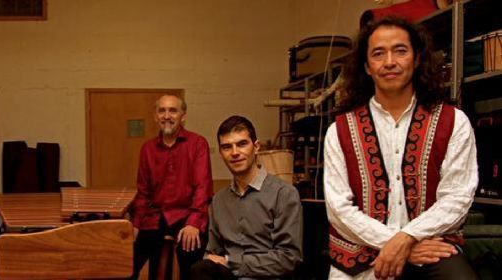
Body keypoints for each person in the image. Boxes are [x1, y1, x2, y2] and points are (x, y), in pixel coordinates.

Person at [323, 16, 478, 279]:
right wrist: (394, 243)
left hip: (430, 247)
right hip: (361, 251)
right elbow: (338, 208)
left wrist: (407, 238)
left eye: (400, 51)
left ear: (417, 59)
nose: (390, 62)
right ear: (367, 67)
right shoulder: (339, 130)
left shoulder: (454, 121)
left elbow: (458, 196)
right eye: (378, 54)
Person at [189, 115, 303, 280]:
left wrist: (230, 261)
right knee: (198, 270)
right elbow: (212, 254)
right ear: (221, 153)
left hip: (266, 277)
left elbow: (289, 258)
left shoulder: (284, 193)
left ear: (256, 147)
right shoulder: (219, 200)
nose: (235, 153)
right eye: (227, 147)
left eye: (242, 144)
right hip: (227, 276)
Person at [130, 94, 213, 279]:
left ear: (183, 116)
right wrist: (135, 225)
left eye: (173, 110)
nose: (167, 116)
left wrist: (194, 223)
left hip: (187, 214)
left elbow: (202, 188)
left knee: (191, 259)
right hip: (155, 216)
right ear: (155, 116)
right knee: (126, 260)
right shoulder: (147, 149)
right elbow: (143, 193)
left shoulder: (198, 144)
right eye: (162, 110)